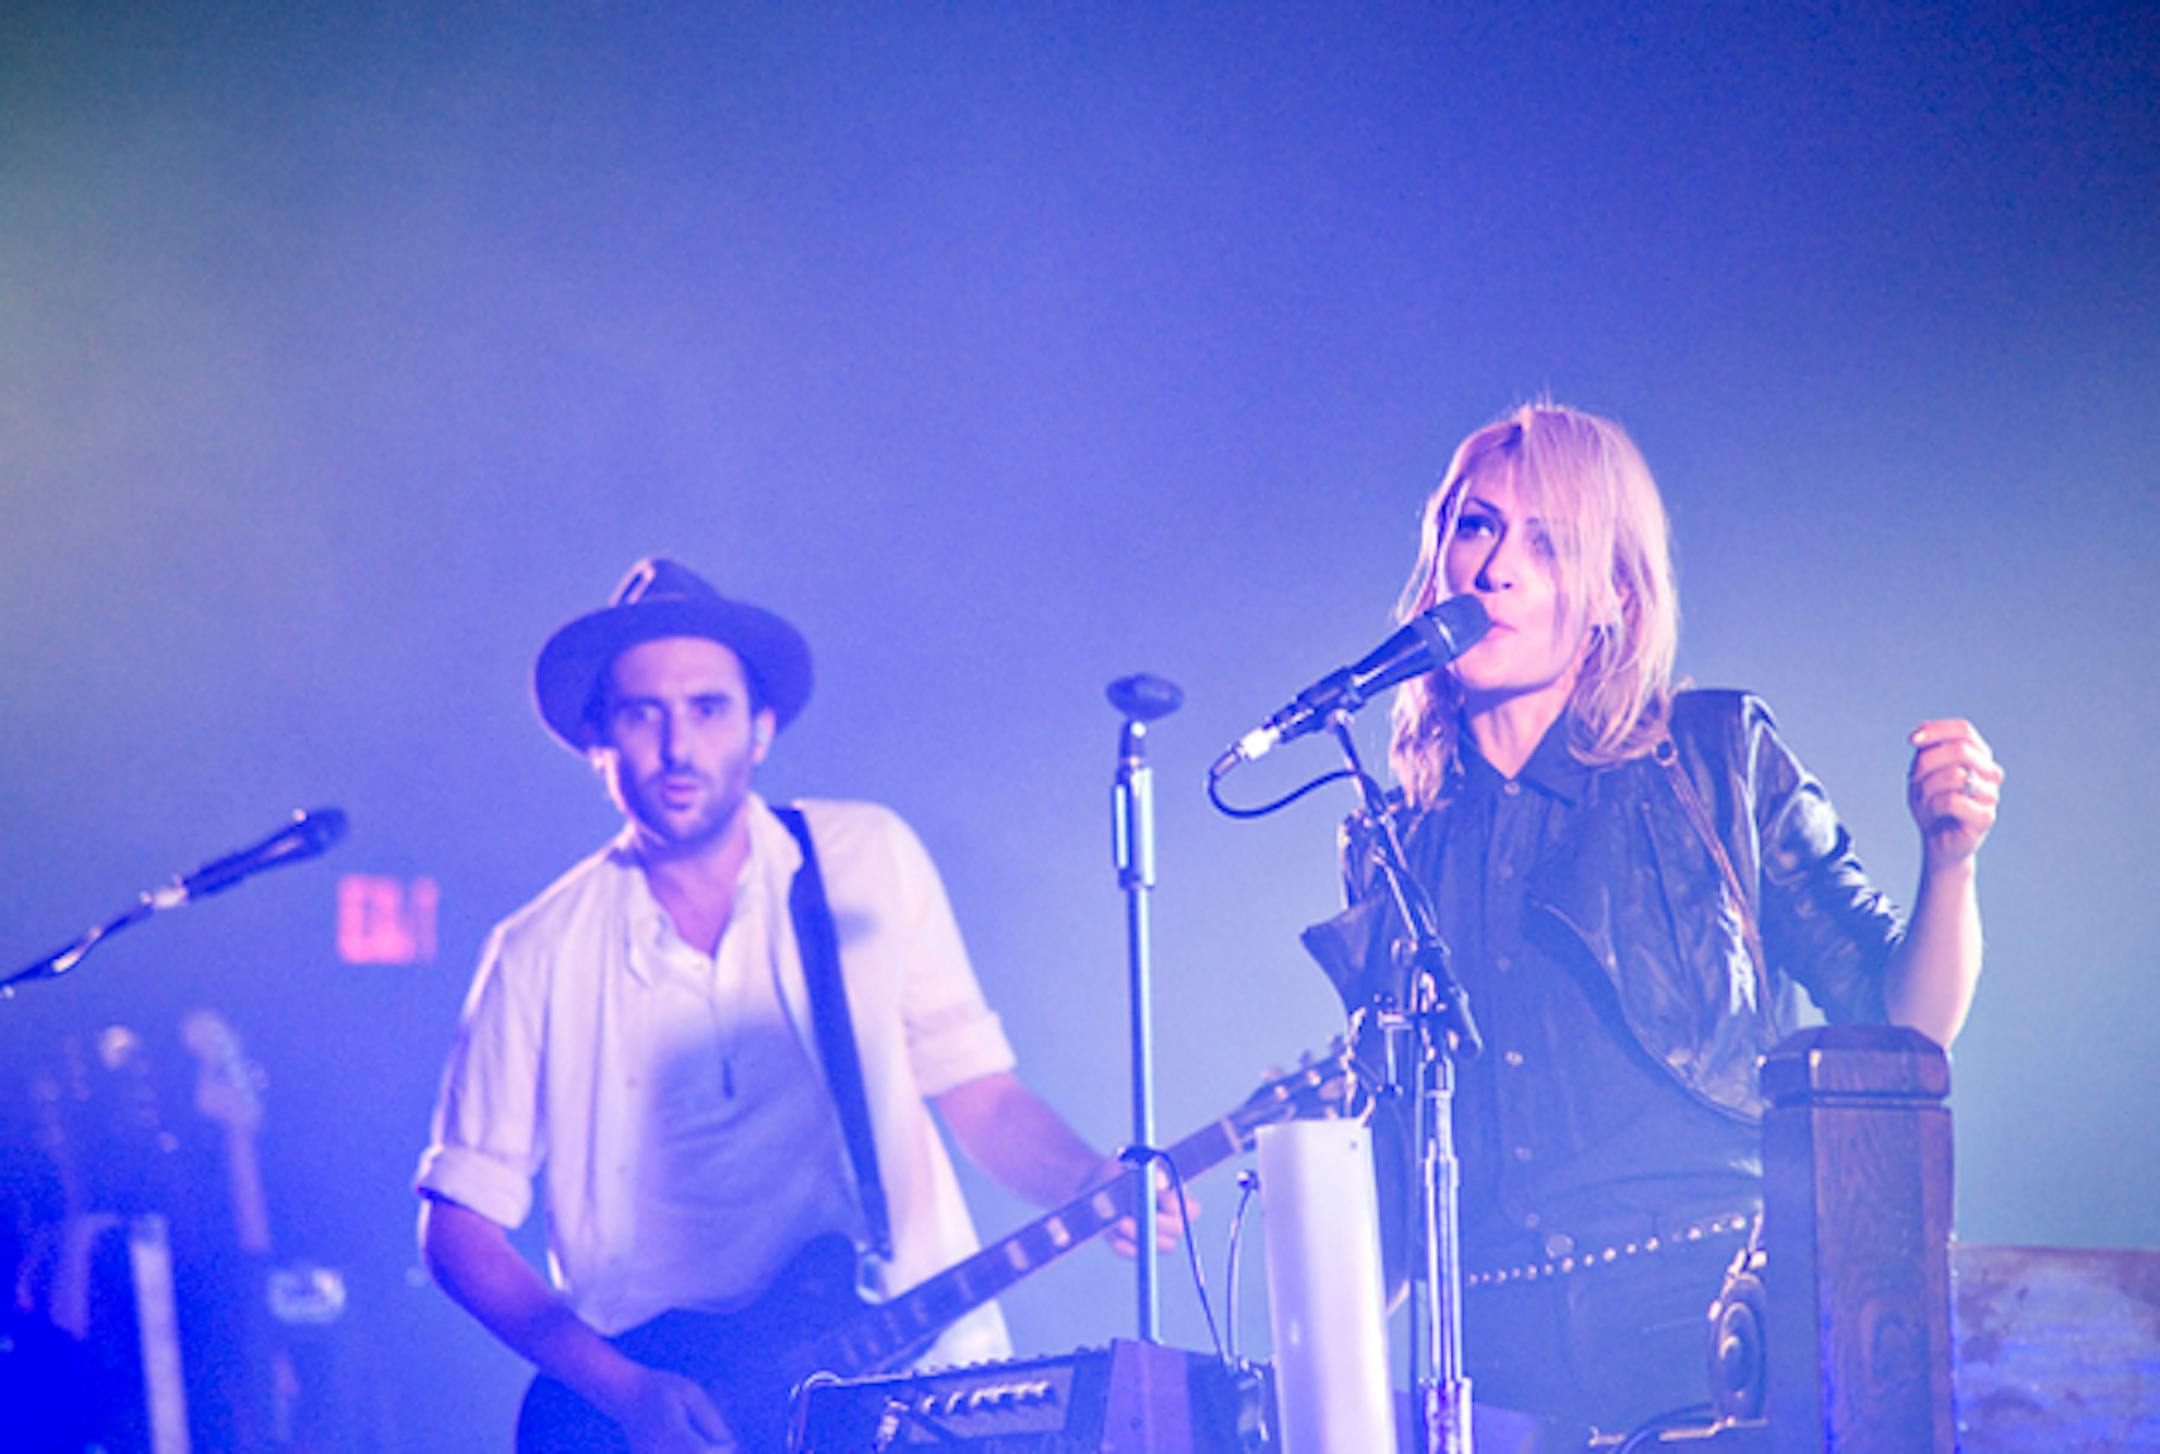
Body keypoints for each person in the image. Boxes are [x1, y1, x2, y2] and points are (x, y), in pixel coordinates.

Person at [1303, 403, 2000, 1445]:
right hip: (1495, 1375)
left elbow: (1905, 1028)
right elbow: (1398, 1197)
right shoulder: (1392, 840)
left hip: (1716, 1335)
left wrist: (1952, 861)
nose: (1496, 567)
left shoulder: (1714, 756)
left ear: (1614, 595)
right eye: (1478, 526)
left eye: (1547, 542)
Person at [415, 558, 1175, 1454]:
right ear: (598, 740)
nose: (677, 744)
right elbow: (457, 1222)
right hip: (667, 1413)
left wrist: (1086, 1180)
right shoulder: (537, 950)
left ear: (761, 728)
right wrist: (621, 1390)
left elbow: (980, 1091)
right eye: (642, 713)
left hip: (912, 1380)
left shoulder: (869, 859)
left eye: (708, 708)